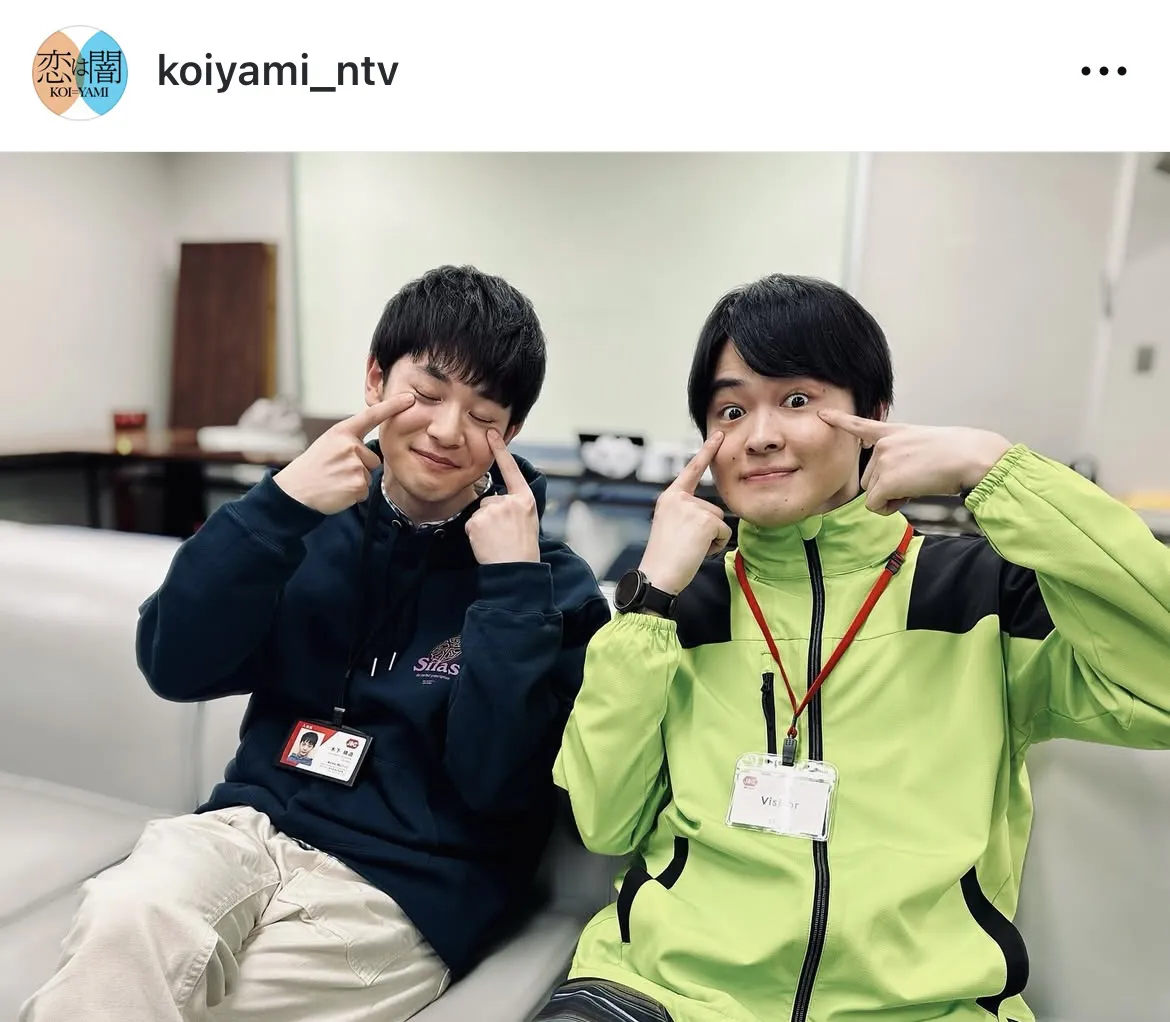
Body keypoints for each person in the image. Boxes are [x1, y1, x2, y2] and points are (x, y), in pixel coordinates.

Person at [540, 273, 1170, 1022]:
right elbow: (605, 820)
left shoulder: (980, 593)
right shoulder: (682, 609)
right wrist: (647, 601)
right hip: (668, 996)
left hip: (920, 1009)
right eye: (731, 410)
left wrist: (999, 474)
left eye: (796, 400)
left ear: (873, 415)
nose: (760, 435)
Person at [22, 265, 611, 1022]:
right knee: (122, 924)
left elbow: (496, 786)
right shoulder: (306, 517)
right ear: (375, 380)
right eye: (427, 394)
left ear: (512, 431)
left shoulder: (547, 585)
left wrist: (508, 589)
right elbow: (173, 665)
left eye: (483, 413)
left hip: (403, 887)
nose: (446, 430)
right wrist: (275, 508)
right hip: (245, 828)